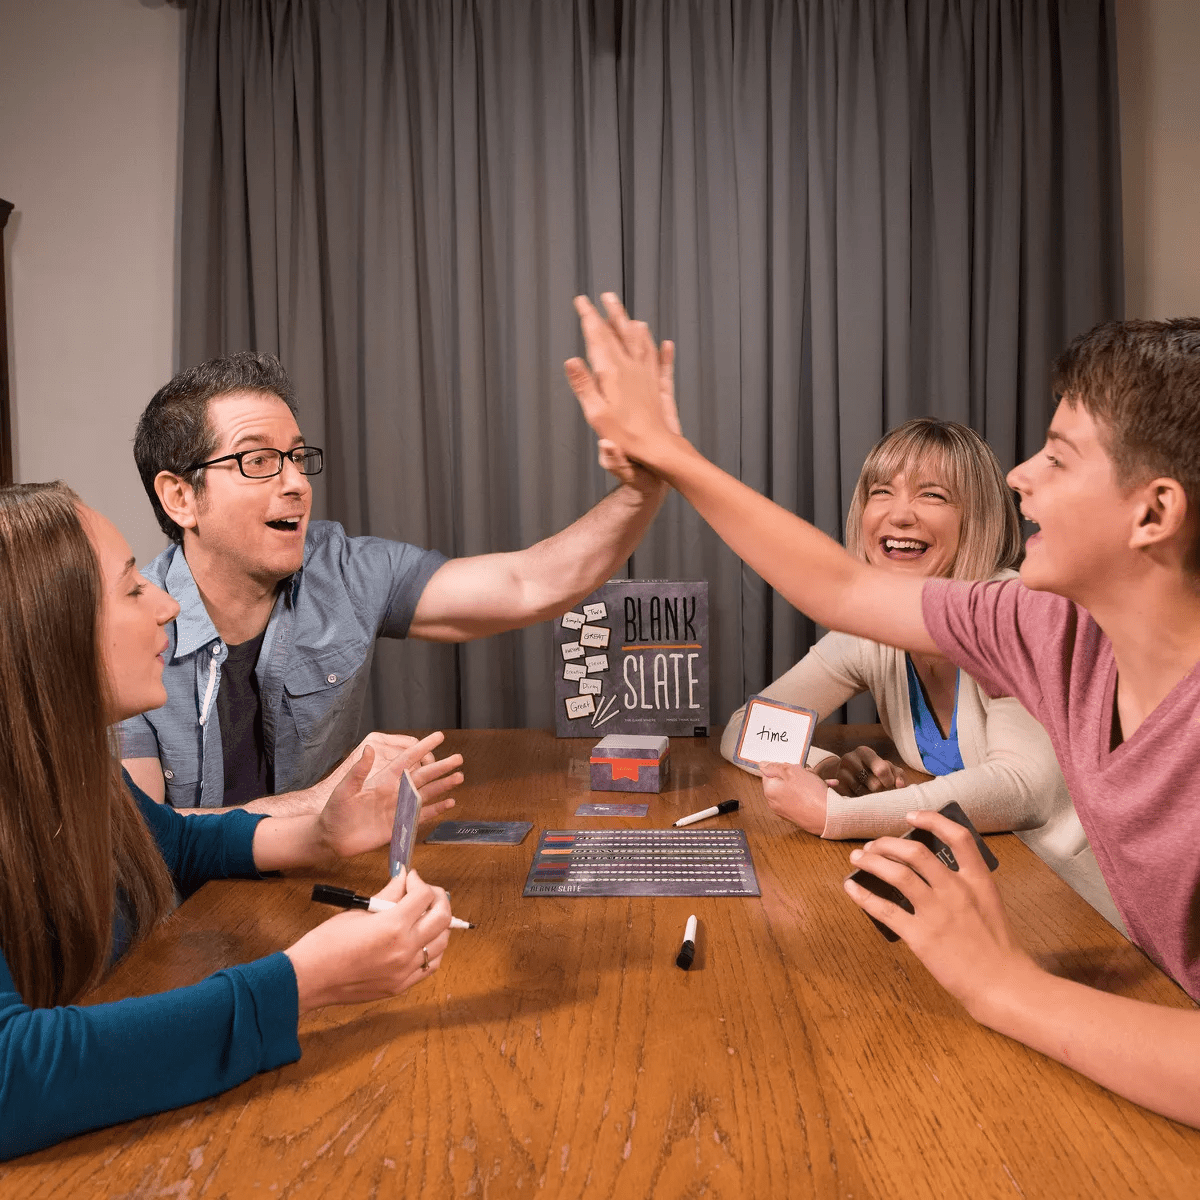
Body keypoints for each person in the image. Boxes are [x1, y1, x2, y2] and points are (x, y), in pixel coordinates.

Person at [567, 295, 1200, 1127]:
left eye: (1056, 457)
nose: (1020, 477)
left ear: (1152, 513)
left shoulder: (1028, 621)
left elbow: (1021, 784)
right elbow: (838, 584)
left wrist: (1002, 983)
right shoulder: (1045, 627)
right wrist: (670, 454)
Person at [0, 482, 462, 1160]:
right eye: (132, 590)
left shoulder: (62, 770)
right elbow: (14, 1078)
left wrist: (319, 833)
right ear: (48, 633)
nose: (166, 606)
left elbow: (170, 843)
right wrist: (302, 982)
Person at [120, 350, 670, 812]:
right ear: (180, 497)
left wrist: (643, 486)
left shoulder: (345, 571)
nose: (295, 484)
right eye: (259, 460)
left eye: (295, 456)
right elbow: (150, 844)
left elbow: (529, 584)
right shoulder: (121, 636)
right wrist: (325, 799)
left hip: (310, 894)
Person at [718, 419, 1122, 929]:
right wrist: (818, 768)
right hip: (992, 882)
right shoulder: (871, 631)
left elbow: (1023, 790)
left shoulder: (1017, 610)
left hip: (1087, 905)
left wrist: (838, 816)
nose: (899, 514)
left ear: (977, 517)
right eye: (881, 492)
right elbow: (746, 725)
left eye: (933, 495)